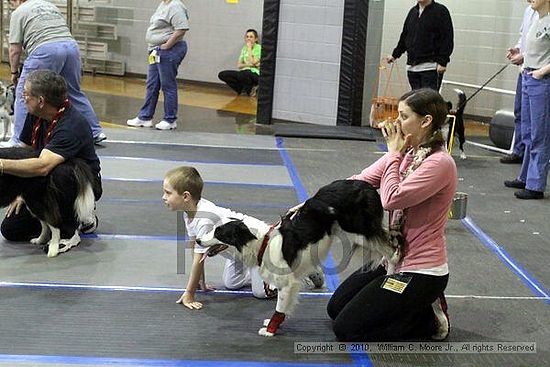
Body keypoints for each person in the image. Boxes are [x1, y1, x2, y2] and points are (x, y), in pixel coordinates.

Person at [326, 88, 457, 341]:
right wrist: (315, 202)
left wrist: (393, 155)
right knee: (336, 308)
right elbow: (359, 181)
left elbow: (392, 198)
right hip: (393, 260)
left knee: (346, 329)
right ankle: (405, 306)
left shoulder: (440, 163)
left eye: (404, 116)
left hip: (422, 272)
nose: (396, 123)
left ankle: (429, 319)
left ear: (426, 121)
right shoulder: (405, 154)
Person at [0, 70, 102, 242]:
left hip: (78, 181)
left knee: (60, 172)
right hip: (41, 179)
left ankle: (72, 227)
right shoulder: (35, 115)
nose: (22, 98)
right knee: (12, 230)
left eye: (26, 94)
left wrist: (2, 164)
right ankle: (62, 218)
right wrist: (18, 191)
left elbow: (43, 166)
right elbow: (22, 153)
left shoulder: (71, 125)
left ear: (41, 101)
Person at [162, 166, 276, 310]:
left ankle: (297, 275)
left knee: (261, 293)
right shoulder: (188, 212)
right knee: (231, 284)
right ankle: (258, 274)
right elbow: (195, 246)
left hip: (260, 249)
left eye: (167, 193)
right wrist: (200, 280)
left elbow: (198, 258)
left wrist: (189, 294)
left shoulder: (205, 218)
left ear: (185, 196)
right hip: (239, 252)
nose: (163, 197)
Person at [6, 0, 106, 147]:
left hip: (45, 49)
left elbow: (14, 50)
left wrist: (14, 72)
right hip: (71, 47)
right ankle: (95, 131)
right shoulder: (49, 5)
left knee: (24, 94)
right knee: (72, 92)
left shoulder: (19, 12)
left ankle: (18, 140)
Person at [504, 0, 550, 200]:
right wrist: (521, 57)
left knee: (540, 135)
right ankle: (525, 177)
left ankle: (536, 184)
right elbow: (532, 50)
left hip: (541, 81)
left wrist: (541, 72)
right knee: (528, 132)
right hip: (528, 77)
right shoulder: (536, 20)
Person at [127, 0, 189, 131]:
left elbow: (181, 29)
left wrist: (166, 46)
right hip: (156, 51)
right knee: (152, 84)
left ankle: (170, 119)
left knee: (168, 85)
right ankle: (145, 117)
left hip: (169, 50)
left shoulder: (175, 5)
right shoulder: (163, 4)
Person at [384, 0, 454, 91]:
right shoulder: (413, 12)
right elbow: (405, 36)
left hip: (430, 67)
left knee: (428, 101)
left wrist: (443, 61)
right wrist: (394, 55)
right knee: (415, 102)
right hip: (412, 68)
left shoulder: (441, 11)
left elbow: (447, 38)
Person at [501, 1, 538, 164]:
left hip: (538, 73)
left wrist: (525, 55)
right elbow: (524, 37)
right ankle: (519, 151)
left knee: (535, 121)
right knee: (520, 112)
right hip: (524, 71)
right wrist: (517, 50)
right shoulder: (528, 10)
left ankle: (532, 157)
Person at [218, 29, 262, 97]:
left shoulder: (259, 48)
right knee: (222, 74)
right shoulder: (244, 49)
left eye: (251, 37)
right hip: (244, 72)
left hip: (255, 73)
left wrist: (250, 48)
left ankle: (252, 88)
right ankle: (242, 90)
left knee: (243, 74)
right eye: (247, 37)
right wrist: (250, 64)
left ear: (255, 39)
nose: (248, 39)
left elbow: (252, 62)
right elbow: (239, 65)